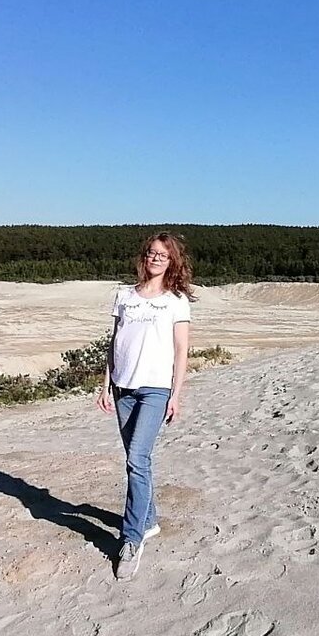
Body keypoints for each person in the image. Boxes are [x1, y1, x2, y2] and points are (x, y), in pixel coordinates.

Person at [96, 232, 194, 580]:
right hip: (122, 388)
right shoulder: (124, 296)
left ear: (172, 262)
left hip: (155, 390)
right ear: (144, 257)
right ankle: (148, 520)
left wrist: (175, 394)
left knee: (137, 460)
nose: (155, 259)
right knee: (137, 461)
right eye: (152, 253)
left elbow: (181, 350)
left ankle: (131, 539)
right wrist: (105, 385)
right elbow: (114, 343)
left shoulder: (175, 301)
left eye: (163, 255)